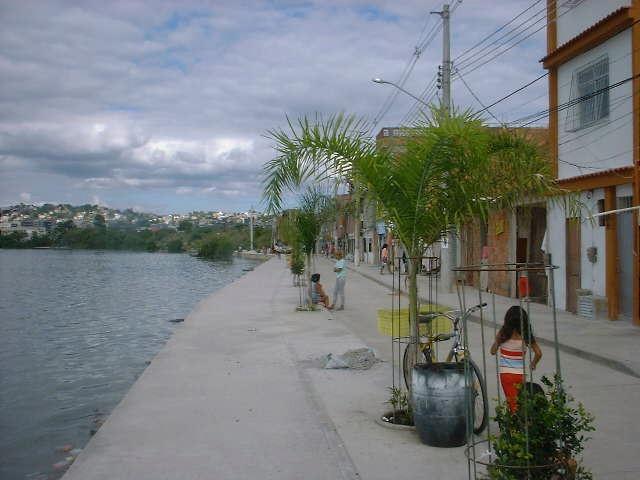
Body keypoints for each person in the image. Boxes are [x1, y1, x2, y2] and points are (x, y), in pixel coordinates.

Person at [490, 306, 542, 413]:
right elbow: (539, 353)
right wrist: (533, 364)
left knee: (513, 405)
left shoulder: (503, 334)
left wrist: (497, 342)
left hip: (506, 375)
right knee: (520, 402)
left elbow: (492, 351)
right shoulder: (526, 336)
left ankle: (515, 426)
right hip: (520, 375)